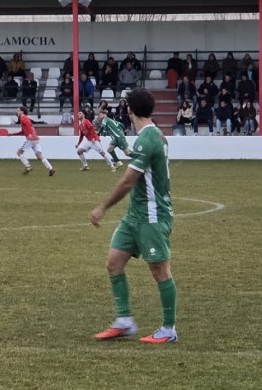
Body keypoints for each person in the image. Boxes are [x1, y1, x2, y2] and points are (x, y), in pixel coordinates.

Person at [90, 88, 178, 344]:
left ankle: (169, 329)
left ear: (129, 110)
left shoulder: (148, 139)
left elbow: (128, 181)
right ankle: (124, 321)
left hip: (152, 215)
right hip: (135, 215)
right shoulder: (151, 136)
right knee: (114, 264)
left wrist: (102, 207)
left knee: (160, 271)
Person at [14, 106, 55, 176]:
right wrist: (14, 134)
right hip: (35, 138)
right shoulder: (24, 118)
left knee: (19, 152)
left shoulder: (23, 117)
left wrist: (30, 134)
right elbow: (23, 131)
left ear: (22, 112)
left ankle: (28, 167)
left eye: (18, 110)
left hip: (31, 139)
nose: (16, 112)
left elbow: (28, 124)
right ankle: (50, 168)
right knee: (39, 156)